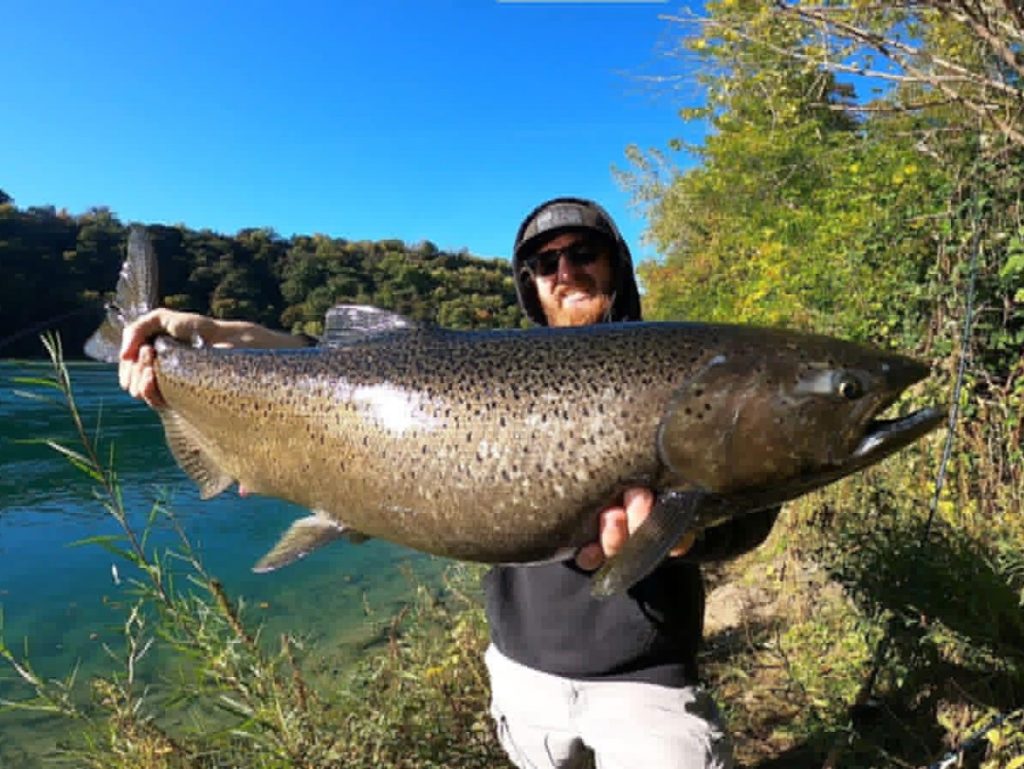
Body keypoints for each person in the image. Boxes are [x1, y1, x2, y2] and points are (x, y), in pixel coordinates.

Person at [118, 197, 779, 769]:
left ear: (616, 264)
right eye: (545, 263)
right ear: (530, 284)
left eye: (583, 253)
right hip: (525, 679)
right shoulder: (478, 369)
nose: (566, 271)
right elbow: (335, 376)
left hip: (649, 685)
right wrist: (199, 341)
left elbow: (750, 513)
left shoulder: (676, 367)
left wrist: (679, 536)